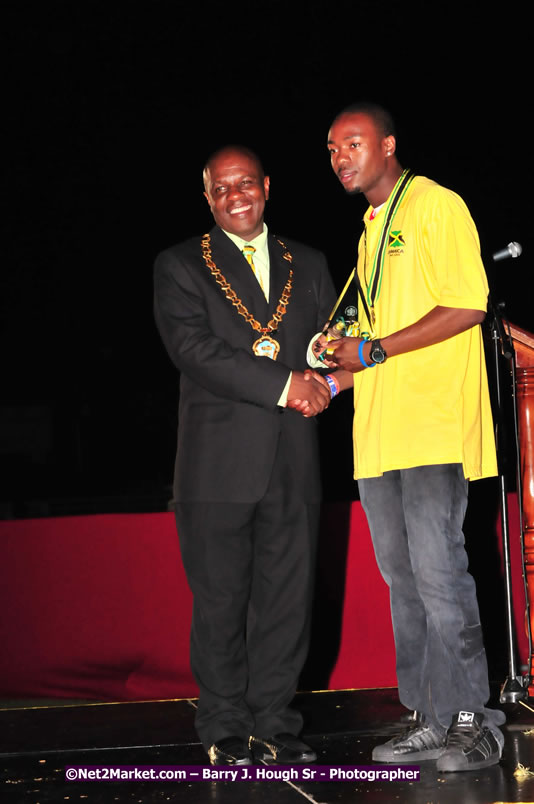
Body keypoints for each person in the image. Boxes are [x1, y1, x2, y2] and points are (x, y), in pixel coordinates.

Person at [313, 103, 505, 772]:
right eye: (331, 148)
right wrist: (332, 381)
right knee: (404, 584)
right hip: (379, 436)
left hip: (431, 428)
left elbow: (468, 304)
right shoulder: (370, 231)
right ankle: (429, 718)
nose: (340, 157)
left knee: (439, 575)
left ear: (388, 144)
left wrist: (371, 350)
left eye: (353, 143)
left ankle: (474, 723)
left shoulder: (435, 205)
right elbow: (374, 346)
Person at [154, 145, 337, 765]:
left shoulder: (308, 261)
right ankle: (223, 726)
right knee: (221, 602)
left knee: (287, 602)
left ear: (267, 186)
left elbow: (329, 342)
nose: (236, 195)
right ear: (207, 197)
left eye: (246, 183)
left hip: (294, 461)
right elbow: (194, 350)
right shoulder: (180, 264)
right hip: (216, 465)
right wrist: (287, 385)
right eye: (222, 187)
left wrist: (332, 369)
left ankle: (275, 724)